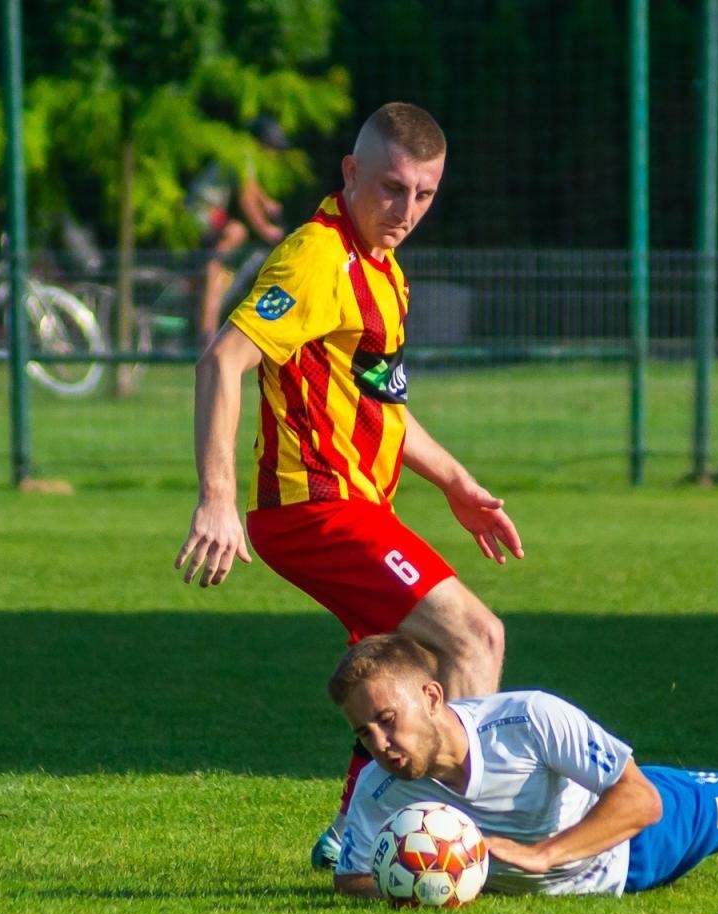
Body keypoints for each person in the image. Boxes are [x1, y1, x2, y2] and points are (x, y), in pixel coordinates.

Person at [174, 103, 523, 868]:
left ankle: (360, 832)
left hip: (359, 505)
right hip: (312, 508)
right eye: (393, 188)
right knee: (476, 635)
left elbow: (384, 409)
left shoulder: (384, 276)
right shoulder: (315, 260)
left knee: (418, 670)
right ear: (352, 173)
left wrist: (459, 485)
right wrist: (217, 497)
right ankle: (449, 841)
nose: (407, 211)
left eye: (425, 195)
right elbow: (222, 361)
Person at [327, 634, 718, 899]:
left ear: (432, 698)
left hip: (635, 843)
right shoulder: (380, 791)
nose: (379, 743)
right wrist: (424, 878)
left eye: (386, 719)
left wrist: (541, 856)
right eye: (364, 732)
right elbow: (351, 875)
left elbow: (641, 802)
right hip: (584, 862)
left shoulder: (527, 720)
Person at [187, 115, 291, 343]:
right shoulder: (244, 155)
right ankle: (207, 327)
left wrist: (267, 203)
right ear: (265, 142)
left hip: (207, 211)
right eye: (273, 148)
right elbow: (246, 198)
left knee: (235, 233)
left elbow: (252, 188)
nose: (273, 154)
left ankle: (214, 271)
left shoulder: (245, 155)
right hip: (200, 210)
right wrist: (266, 230)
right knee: (237, 231)